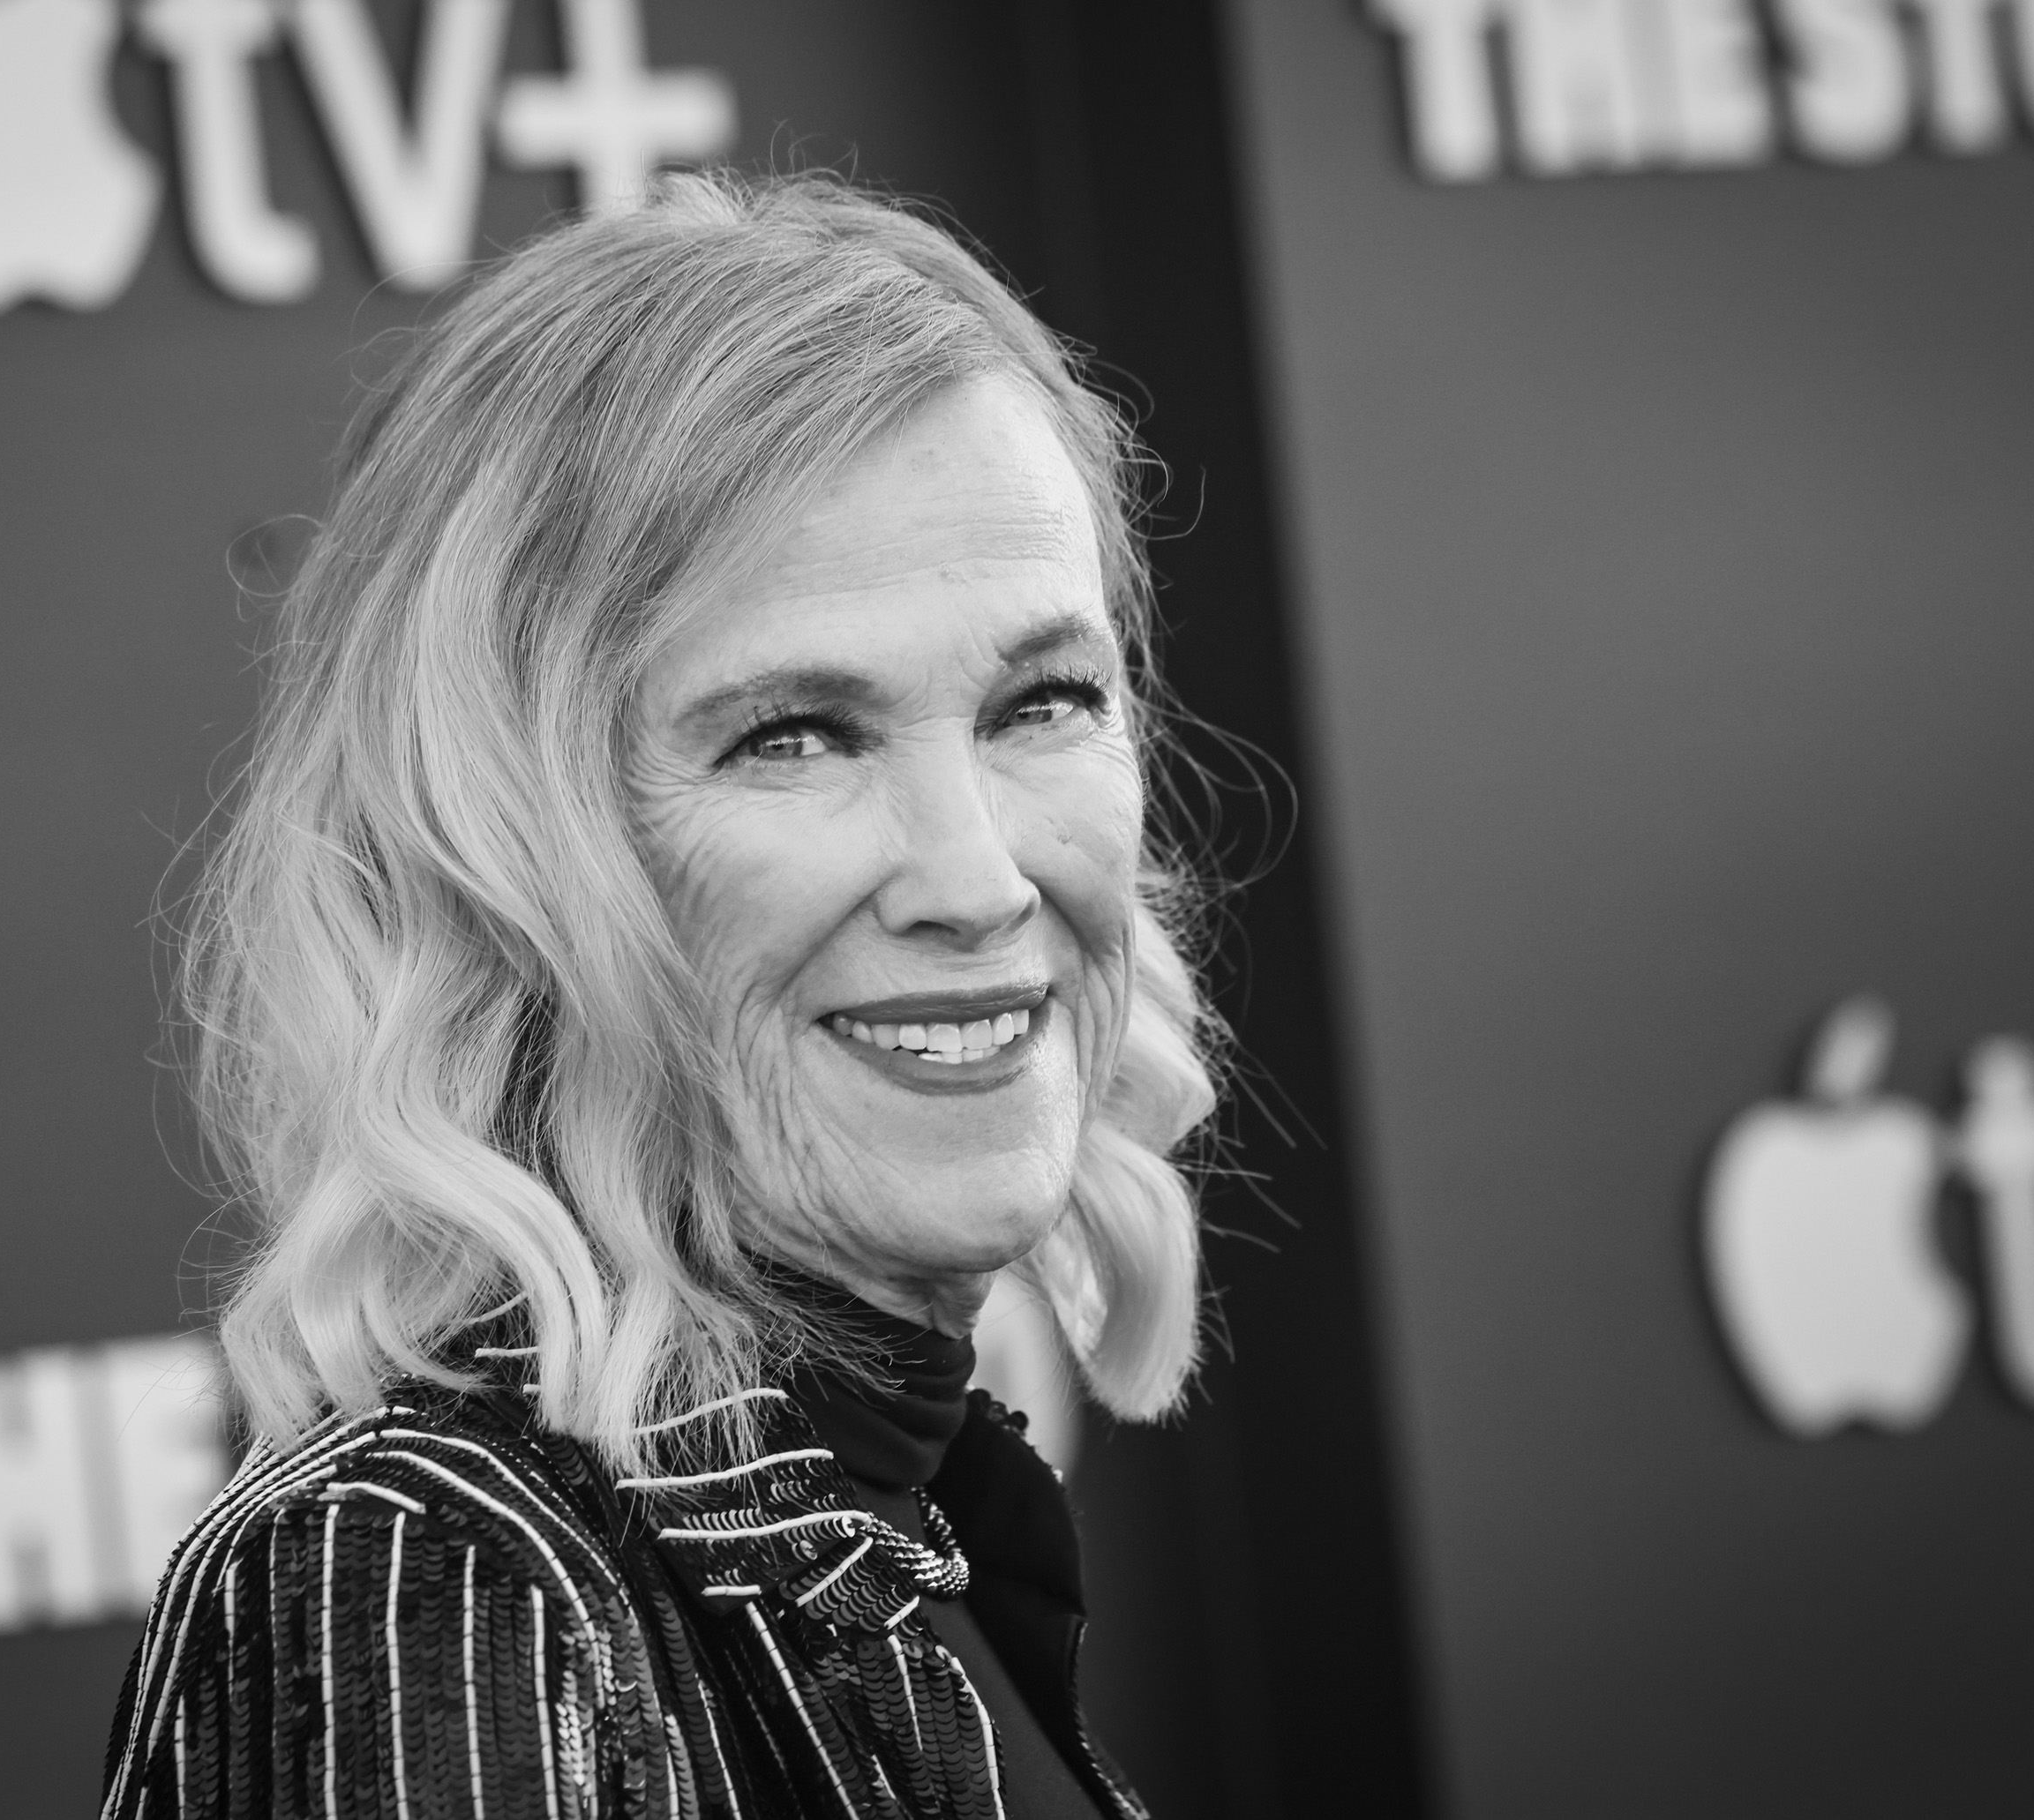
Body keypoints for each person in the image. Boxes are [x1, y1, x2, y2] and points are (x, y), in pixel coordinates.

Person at [102, 170, 1220, 1820]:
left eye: (1041, 701)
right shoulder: (440, 1588)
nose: (980, 878)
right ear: (505, 852)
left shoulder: (902, 1521)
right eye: (793, 737)